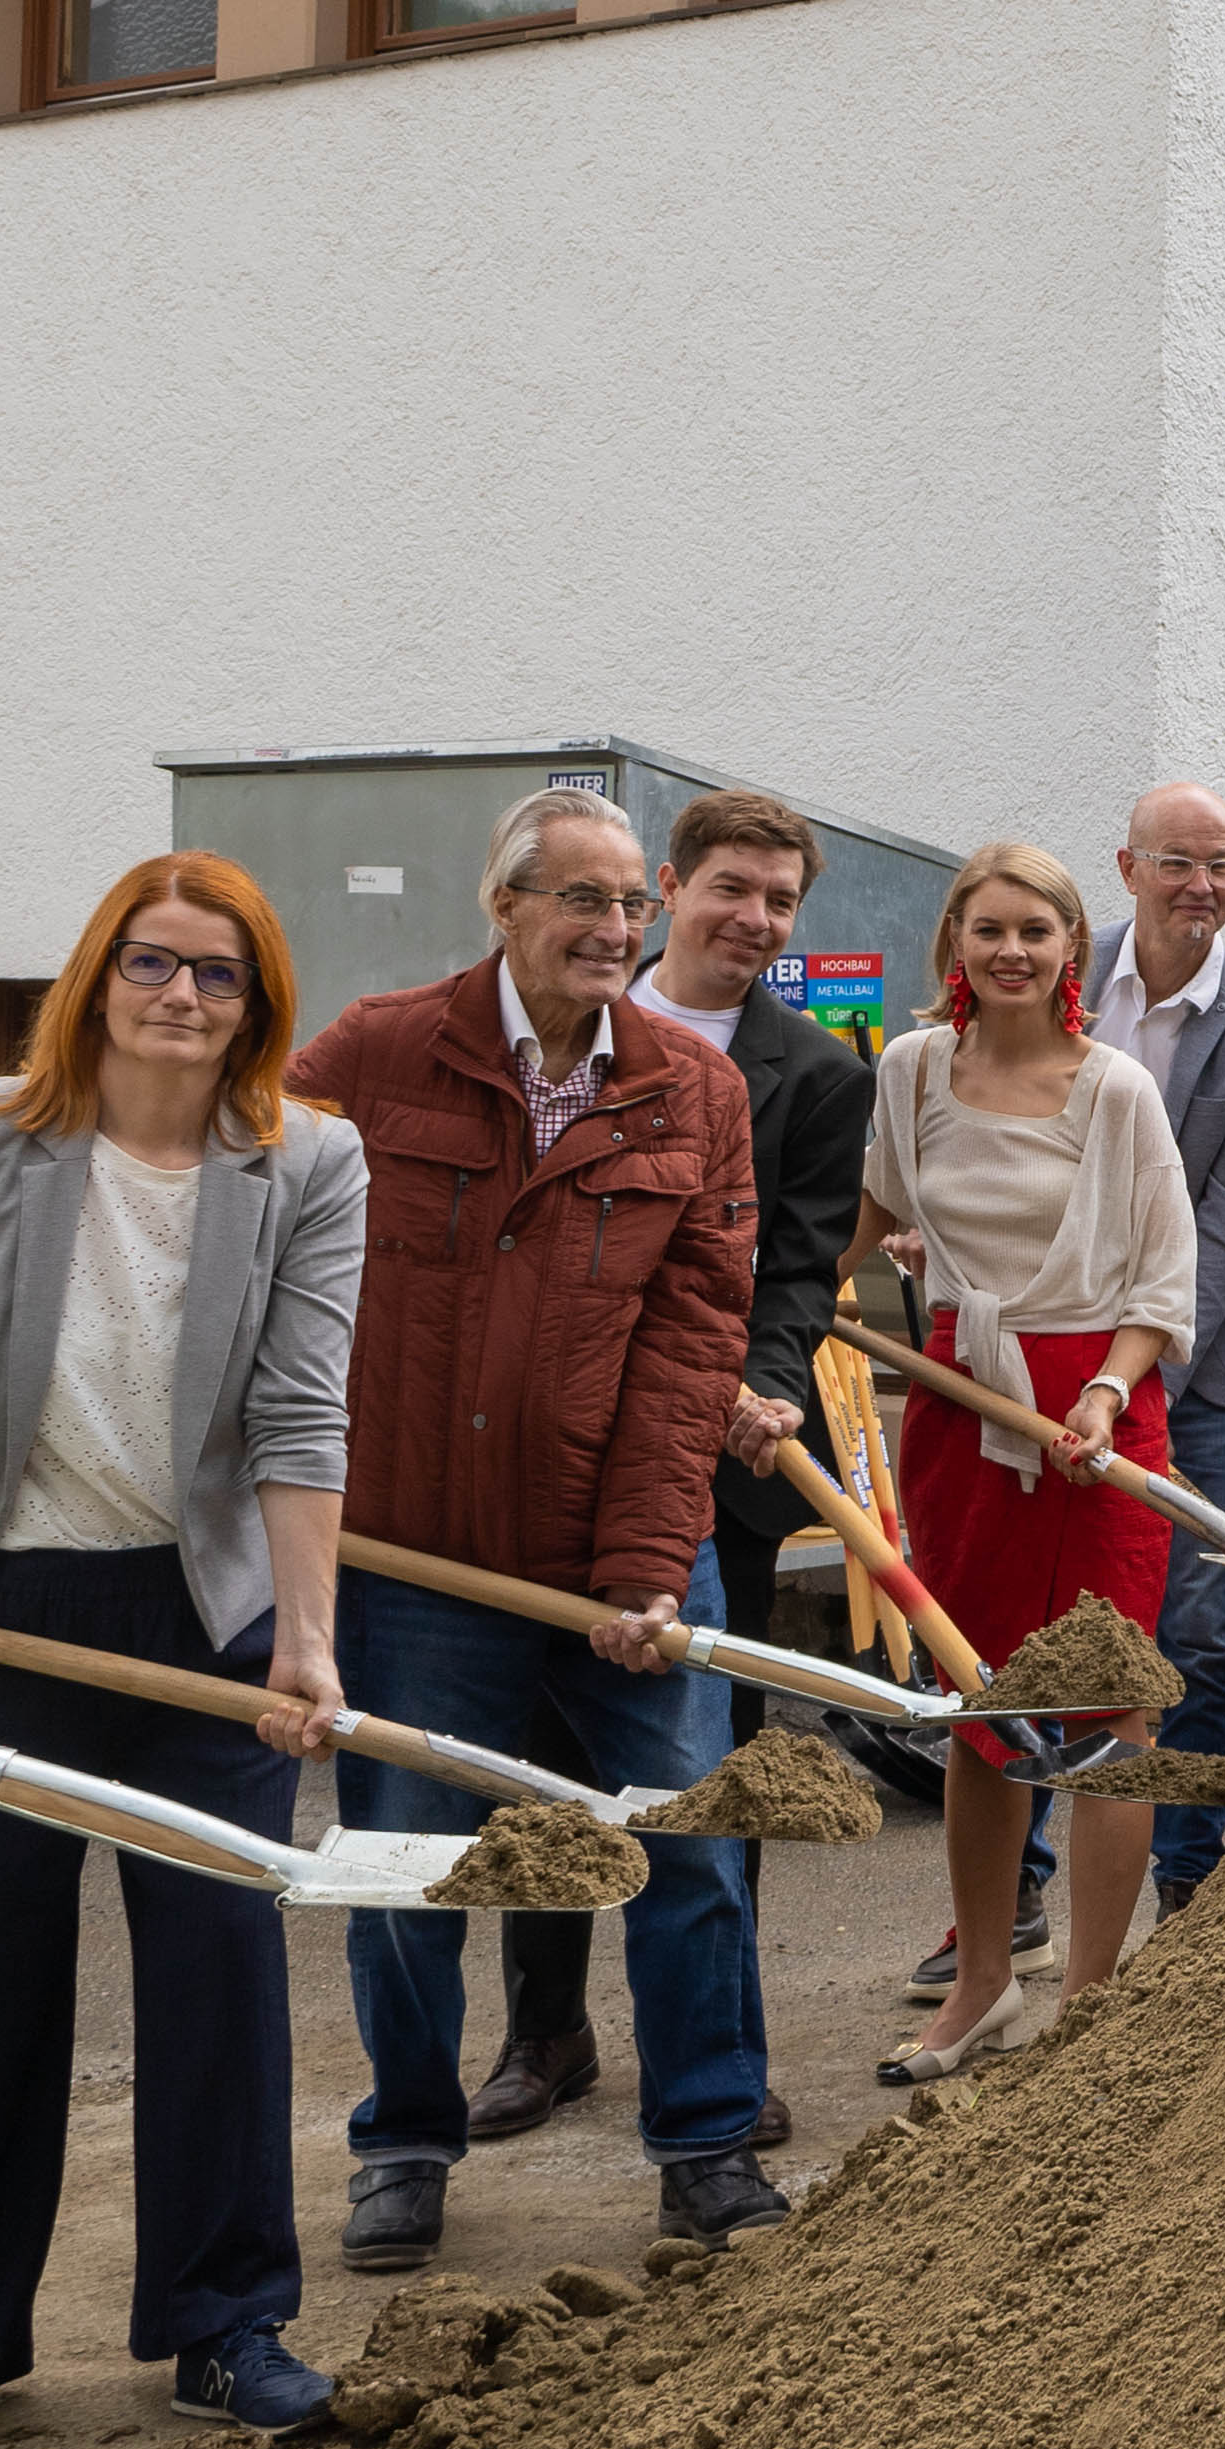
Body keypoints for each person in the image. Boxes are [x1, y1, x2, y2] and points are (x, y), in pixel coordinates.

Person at [0, 855, 370, 2449]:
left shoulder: (309, 1165)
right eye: (152, 965)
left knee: (216, 1973)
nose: (182, 999)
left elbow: (301, 1409)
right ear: (95, 976)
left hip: (203, 1625)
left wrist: (308, 1641)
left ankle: (225, 2324)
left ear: (257, 1004)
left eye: (219, 976)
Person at [291, 786, 773, 2266]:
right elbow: (246, 1228)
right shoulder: (376, 1054)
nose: (617, 930)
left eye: (632, 904)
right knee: (409, 1859)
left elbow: (694, 1345)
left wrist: (641, 1565)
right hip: (418, 1554)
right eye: (584, 900)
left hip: (614, 1546)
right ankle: (406, 2145)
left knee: (687, 1845)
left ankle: (707, 2140)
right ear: (503, 906)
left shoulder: (695, 1091)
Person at [480, 788, 873, 2147]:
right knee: (539, 1751)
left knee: (714, 1763)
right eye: (733, 891)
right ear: (669, 887)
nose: (755, 920)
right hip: (551, 1451)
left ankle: (708, 2044)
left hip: (721, 1459)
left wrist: (755, 1384)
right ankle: (542, 2032)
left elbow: (801, 1267)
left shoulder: (817, 1076)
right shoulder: (564, 1027)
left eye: (781, 901)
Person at [853, 844, 1199, 2081]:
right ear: (955, 939)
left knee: (1110, 1706)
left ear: (1071, 950)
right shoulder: (907, 1073)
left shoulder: (1116, 1090)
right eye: (988, 929)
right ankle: (986, 1983)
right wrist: (800, 1312)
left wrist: (1107, 1389)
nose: (1010, 951)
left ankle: (1093, 2007)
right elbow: (858, 1225)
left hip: (1095, 1416)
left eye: (1035, 933)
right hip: (961, 1407)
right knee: (984, 1705)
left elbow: (1163, 1280)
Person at [1083, 778, 1225, 1920]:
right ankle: (1011, 1894)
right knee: (1042, 1630)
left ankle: (1188, 1886)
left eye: (1224, 865)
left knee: (1198, 1634)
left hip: (1192, 1376)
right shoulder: (1061, 979)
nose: (1202, 888)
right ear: (1128, 869)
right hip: (1049, 1354)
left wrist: (1138, 1374)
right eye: (1180, 863)